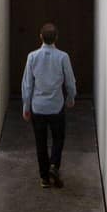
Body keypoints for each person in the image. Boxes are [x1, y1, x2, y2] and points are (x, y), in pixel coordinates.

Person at [21, 22, 76, 188]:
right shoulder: (63, 57)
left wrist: (26, 106)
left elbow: (27, 84)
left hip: (38, 107)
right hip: (56, 107)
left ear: (40, 37)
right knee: (58, 139)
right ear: (56, 38)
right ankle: (54, 166)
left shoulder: (32, 57)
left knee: (41, 142)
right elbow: (70, 81)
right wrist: (71, 98)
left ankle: (44, 178)